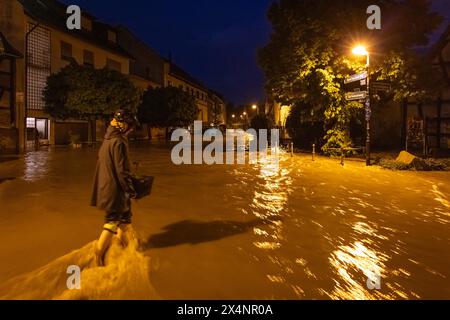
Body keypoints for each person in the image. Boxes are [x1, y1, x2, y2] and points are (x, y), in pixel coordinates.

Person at [90, 110, 139, 267]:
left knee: (124, 219)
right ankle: (97, 253)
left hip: (107, 186)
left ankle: (123, 250)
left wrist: (131, 165)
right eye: (129, 126)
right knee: (112, 221)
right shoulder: (119, 141)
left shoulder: (108, 139)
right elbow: (121, 170)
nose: (130, 130)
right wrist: (131, 190)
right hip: (115, 189)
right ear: (123, 125)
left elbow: (115, 163)